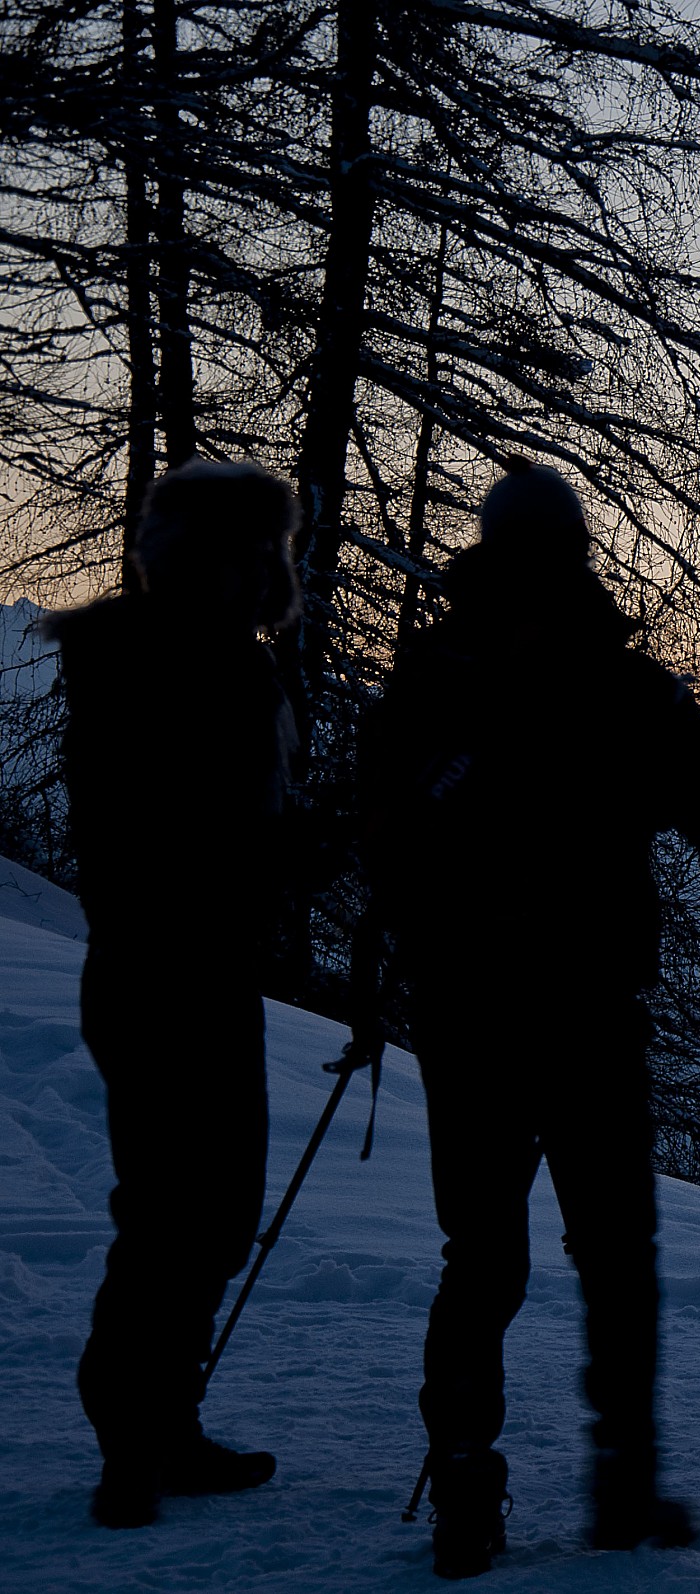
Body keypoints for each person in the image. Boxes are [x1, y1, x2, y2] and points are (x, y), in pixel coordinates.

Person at [361, 461, 700, 1580]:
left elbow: (381, 832)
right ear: (580, 555)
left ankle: (465, 1477)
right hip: (590, 1017)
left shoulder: (431, 680)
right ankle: (625, 1485)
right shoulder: (627, 689)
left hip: (465, 1018)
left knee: (480, 1256)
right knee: (614, 1254)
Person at [49, 461, 302, 1528]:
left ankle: (150, 1424)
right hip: (181, 972)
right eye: (252, 553)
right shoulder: (206, 672)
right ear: (219, 558)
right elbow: (211, 837)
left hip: (147, 969)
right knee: (189, 1209)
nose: (262, 574)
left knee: (185, 1208)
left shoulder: (132, 659)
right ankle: (137, 1434)